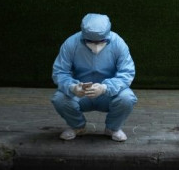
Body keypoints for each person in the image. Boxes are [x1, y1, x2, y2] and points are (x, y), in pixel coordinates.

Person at [51, 13, 137, 142]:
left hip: (108, 93)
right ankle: (78, 126)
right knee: (59, 98)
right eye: (90, 41)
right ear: (83, 35)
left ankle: (112, 128)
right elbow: (60, 72)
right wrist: (72, 87)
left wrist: (105, 87)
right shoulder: (71, 43)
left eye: (101, 41)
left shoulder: (118, 43)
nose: (96, 45)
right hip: (81, 93)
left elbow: (127, 72)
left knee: (127, 98)